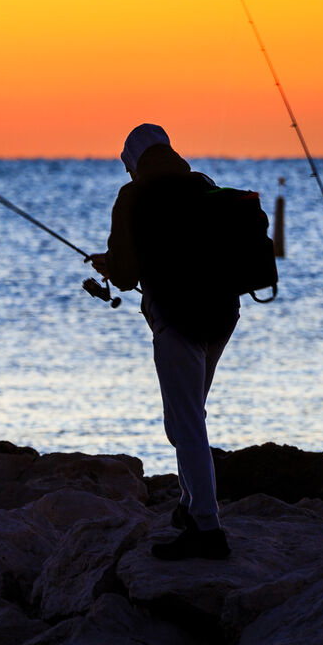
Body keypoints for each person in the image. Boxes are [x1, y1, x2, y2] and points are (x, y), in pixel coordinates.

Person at [90, 123, 243, 560]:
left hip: (176, 321)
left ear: (133, 161)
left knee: (187, 421)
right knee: (185, 418)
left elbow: (124, 276)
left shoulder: (132, 197)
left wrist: (108, 265)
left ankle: (207, 530)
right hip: (222, 315)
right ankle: (189, 504)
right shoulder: (203, 185)